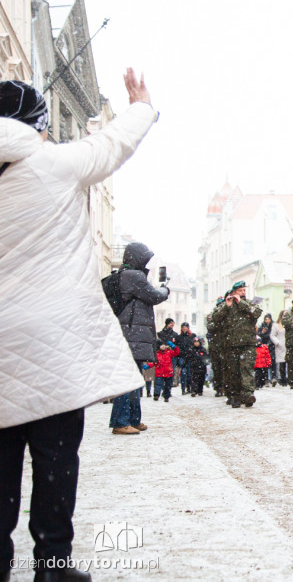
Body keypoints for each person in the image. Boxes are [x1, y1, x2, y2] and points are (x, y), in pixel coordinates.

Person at [0, 70, 158, 580]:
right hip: (55, 347)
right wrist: (140, 105)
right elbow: (113, 143)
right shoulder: (55, 163)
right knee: (54, 461)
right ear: (38, 123)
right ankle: (52, 564)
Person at [111, 242, 171, 433]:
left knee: (134, 378)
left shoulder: (125, 275)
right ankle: (121, 422)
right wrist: (165, 289)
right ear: (137, 258)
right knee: (128, 379)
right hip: (131, 336)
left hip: (130, 335)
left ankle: (133, 419)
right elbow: (154, 296)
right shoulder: (133, 276)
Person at [213, 281, 262, 408]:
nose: (243, 292)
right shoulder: (226, 305)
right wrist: (227, 306)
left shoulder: (249, 303)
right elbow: (215, 319)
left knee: (247, 370)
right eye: (240, 291)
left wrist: (242, 303)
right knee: (233, 372)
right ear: (234, 292)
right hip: (231, 344)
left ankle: (248, 395)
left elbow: (256, 313)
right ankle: (234, 396)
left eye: (244, 290)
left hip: (248, 343)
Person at [269, 313, 286, 386]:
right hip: (280, 346)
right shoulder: (276, 325)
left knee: (289, 362)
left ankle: (289, 379)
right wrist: (278, 342)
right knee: (281, 362)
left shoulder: (291, 323)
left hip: (289, 344)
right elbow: (272, 335)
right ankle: (282, 379)